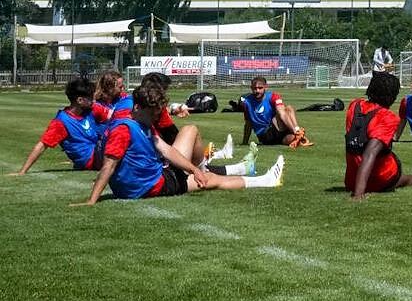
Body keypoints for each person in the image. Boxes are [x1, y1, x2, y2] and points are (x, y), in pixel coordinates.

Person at [83, 81, 283, 203]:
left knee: (191, 134)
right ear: (137, 107)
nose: (156, 118)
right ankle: (266, 181)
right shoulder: (123, 129)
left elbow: (167, 150)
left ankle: (207, 167)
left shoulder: (139, 123)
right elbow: (109, 165)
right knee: (211, 180)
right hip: (154, 186)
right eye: (153, 113)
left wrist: (194, 170)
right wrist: (92, 200)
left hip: (150, 179)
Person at [345, 71, 412, 200]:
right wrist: (358, 194)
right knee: (404, 179)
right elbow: (370, 153)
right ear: (391, 96)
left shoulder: (354, 105)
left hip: (351, 180)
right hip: (380, 180)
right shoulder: (387, 117)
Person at [15, 77, 108, 176]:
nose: (93, 100)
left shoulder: (91, 110)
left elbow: (113, 117)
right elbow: (42, 145)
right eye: (89, 97)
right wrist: (23, 171)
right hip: (90, 159)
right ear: (80, 100)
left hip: (99, 150)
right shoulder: (61, 122)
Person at [238, 75, 310, 148]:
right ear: (251, 88)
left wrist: (295, 132)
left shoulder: (273, 96)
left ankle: (297, 134)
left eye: (260, 88)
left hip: (277, 129)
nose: (257, 91)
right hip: (265, 135)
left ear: (265, 87)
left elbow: (282, 113)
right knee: (287, 110)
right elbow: (248, 123)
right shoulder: (247, 102)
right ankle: (297, 132)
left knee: (289, 109)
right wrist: (245, 142)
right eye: (255, 88)